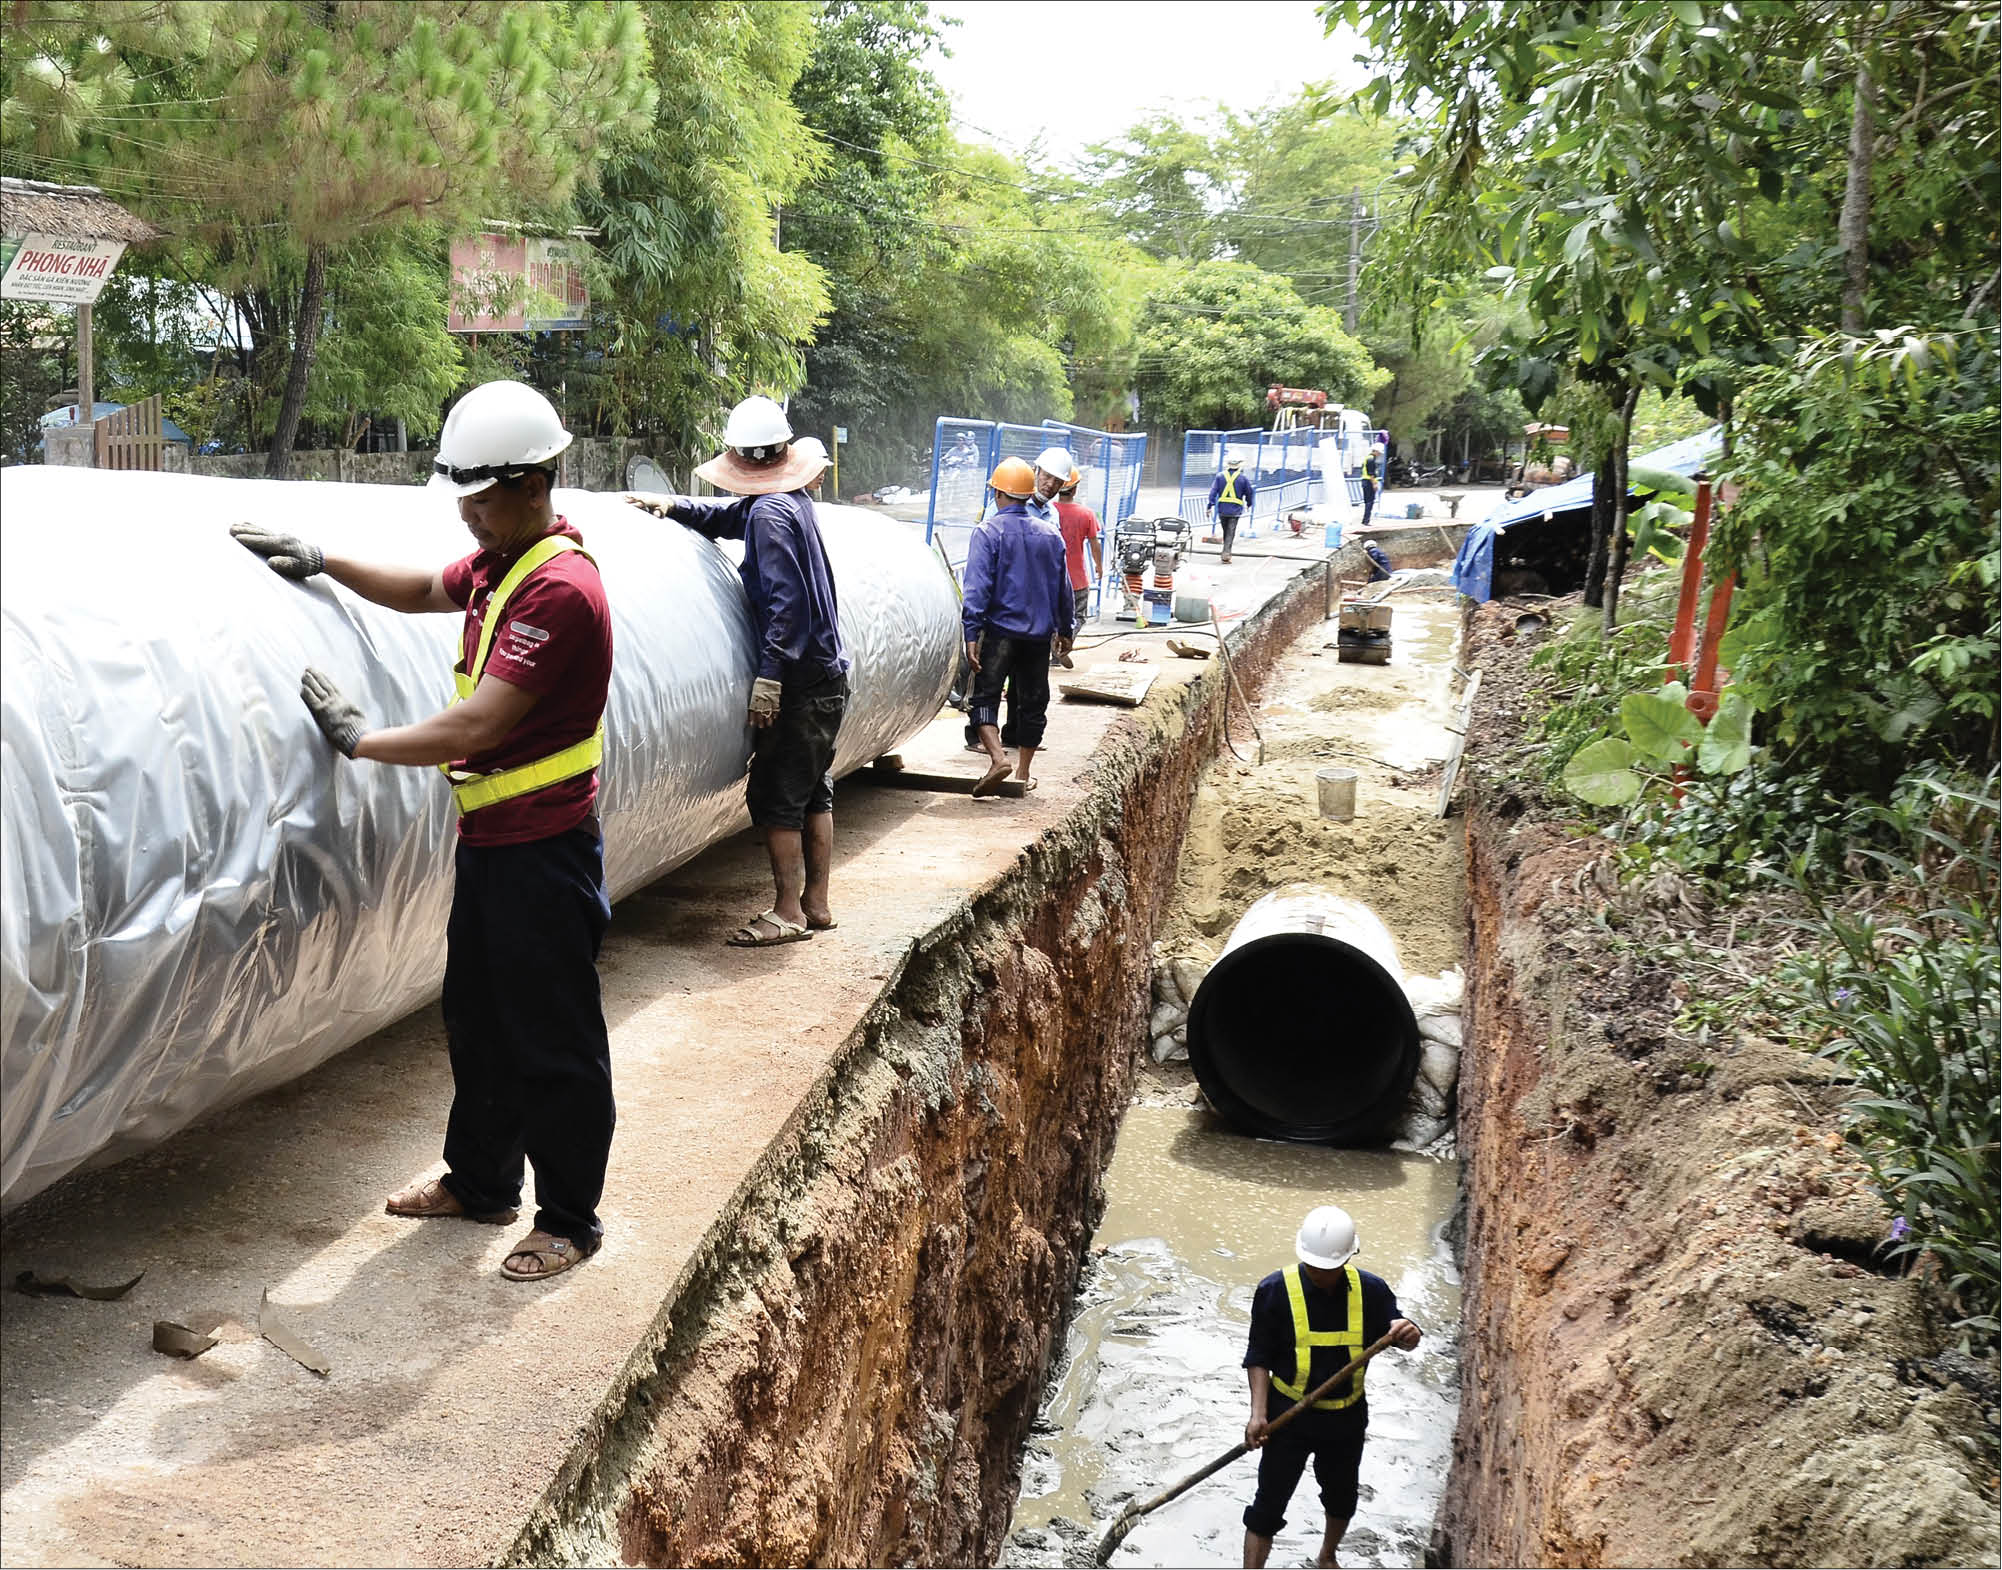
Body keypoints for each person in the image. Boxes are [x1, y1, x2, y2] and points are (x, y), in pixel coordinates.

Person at [229, 379, 615, 1284]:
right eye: (463, 497)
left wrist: (363, 740)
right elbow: (416, 589)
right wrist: (325, 560)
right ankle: (481, 1183)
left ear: (534, 482)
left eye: (483, 497)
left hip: (544, 851)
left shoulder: (560, 591)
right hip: (491, 843)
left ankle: (569, 1218)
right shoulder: (503, 562)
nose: (470, 515)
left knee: (551, 1036)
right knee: (477, 1018)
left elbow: (479, 725)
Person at [626, 396, 847, 947]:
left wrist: (769, 679)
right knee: (813, 791)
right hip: (825, 677)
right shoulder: (787, 502)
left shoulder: (770, 515)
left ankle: (786, 913)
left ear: (740, 458)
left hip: (797, 682)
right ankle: (814, 906)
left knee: (776, 798)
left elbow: (784, 606)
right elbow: (726, 516)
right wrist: (671, 507)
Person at [1242, 1205, 1423, 1568]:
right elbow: (1258, 1355)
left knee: (1341, 1497)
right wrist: (1257, 1415)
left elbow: (1404, 1334)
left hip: (1346, 1417)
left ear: (1349, 1257)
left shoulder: (1371, 1291)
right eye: (1315, 1267)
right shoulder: (1275, 1291)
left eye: (1330, 1267)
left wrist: (1408, 1332)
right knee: (1267, 1506)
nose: (1322, 1274)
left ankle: (1327, 1556)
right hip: (1287, 1417)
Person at [962, 456, 1074, 798]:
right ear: (1027, 494)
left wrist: (971, 633)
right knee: (1033, 701)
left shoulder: (988, 532)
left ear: (998, 494)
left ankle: (997, 758)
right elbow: (1062, 587)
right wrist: (1066, 628)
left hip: (1000, 633)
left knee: (985, 696)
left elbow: (976, 588)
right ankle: (1023, 772)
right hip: (1038, 637)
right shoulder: (1050, 534)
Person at [1054, 465, 1103, 651]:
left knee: (1052, 616)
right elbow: (1094, 544)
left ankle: (1054, 647)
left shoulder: (1048, 511)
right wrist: (1099, 566)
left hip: (1051, 577)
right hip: (1076, 579)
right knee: (1078, 616)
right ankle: (1064, 645)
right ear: (1074, 489)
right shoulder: (1086, 514)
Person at [1207, 455, 1255, 564]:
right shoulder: (1243, 478)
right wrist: (1249, 503)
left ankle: (1226, 551)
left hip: (1222, 509)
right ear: (1239, 466)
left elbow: (1213, 491)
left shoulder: (1220, 476)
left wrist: (1210, 505)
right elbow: (1249, 492)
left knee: (1226, 531)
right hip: (1235, 510)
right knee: (1230, 532)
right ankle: (1226, 553)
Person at [1360, 443, 1383, 528]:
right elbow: (1371, 473)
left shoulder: (1369, 458)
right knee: (1369, 501)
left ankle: (1365, 520)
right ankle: (1366, 520)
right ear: (1375, 451)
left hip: (1366, 481)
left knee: (1368, 501)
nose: (1380, 454)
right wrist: (1374, 484)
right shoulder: (1371, 459)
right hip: (1368, 482)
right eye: (1379, 452)